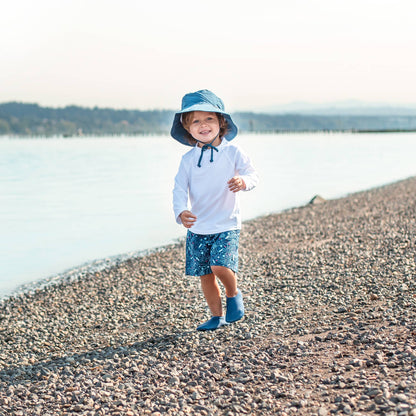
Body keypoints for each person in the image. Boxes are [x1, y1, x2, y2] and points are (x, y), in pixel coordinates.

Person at [171, 89, 258, 331]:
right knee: (205, 275)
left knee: (219, 266)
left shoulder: (233, 152)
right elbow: (179, 188)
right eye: (195, 121)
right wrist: (180, 212)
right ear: (187, 128)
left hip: (226, 222)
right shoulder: (188, 159)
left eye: (209, 118)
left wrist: (243, 182)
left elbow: (252, 175)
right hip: (199, 226)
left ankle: (233, 293)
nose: (203, 125)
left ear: (221, 122)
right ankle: (216, 316)